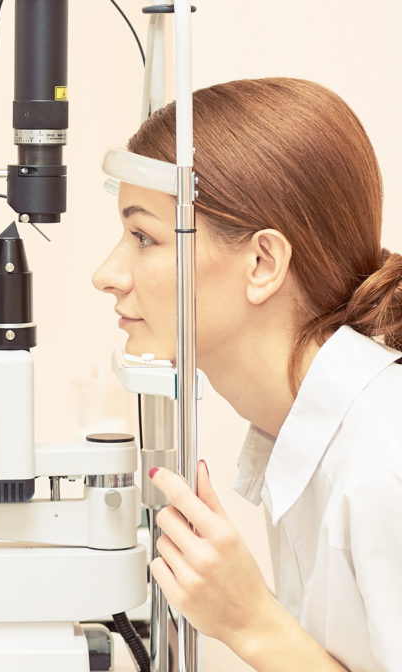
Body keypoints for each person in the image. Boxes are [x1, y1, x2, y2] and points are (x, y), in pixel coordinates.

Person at [93, 77, 402, 671]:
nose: (106, 274)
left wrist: (249, 622)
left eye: (143, 237)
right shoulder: (304, 436)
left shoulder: (382, 460)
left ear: (262, 262)